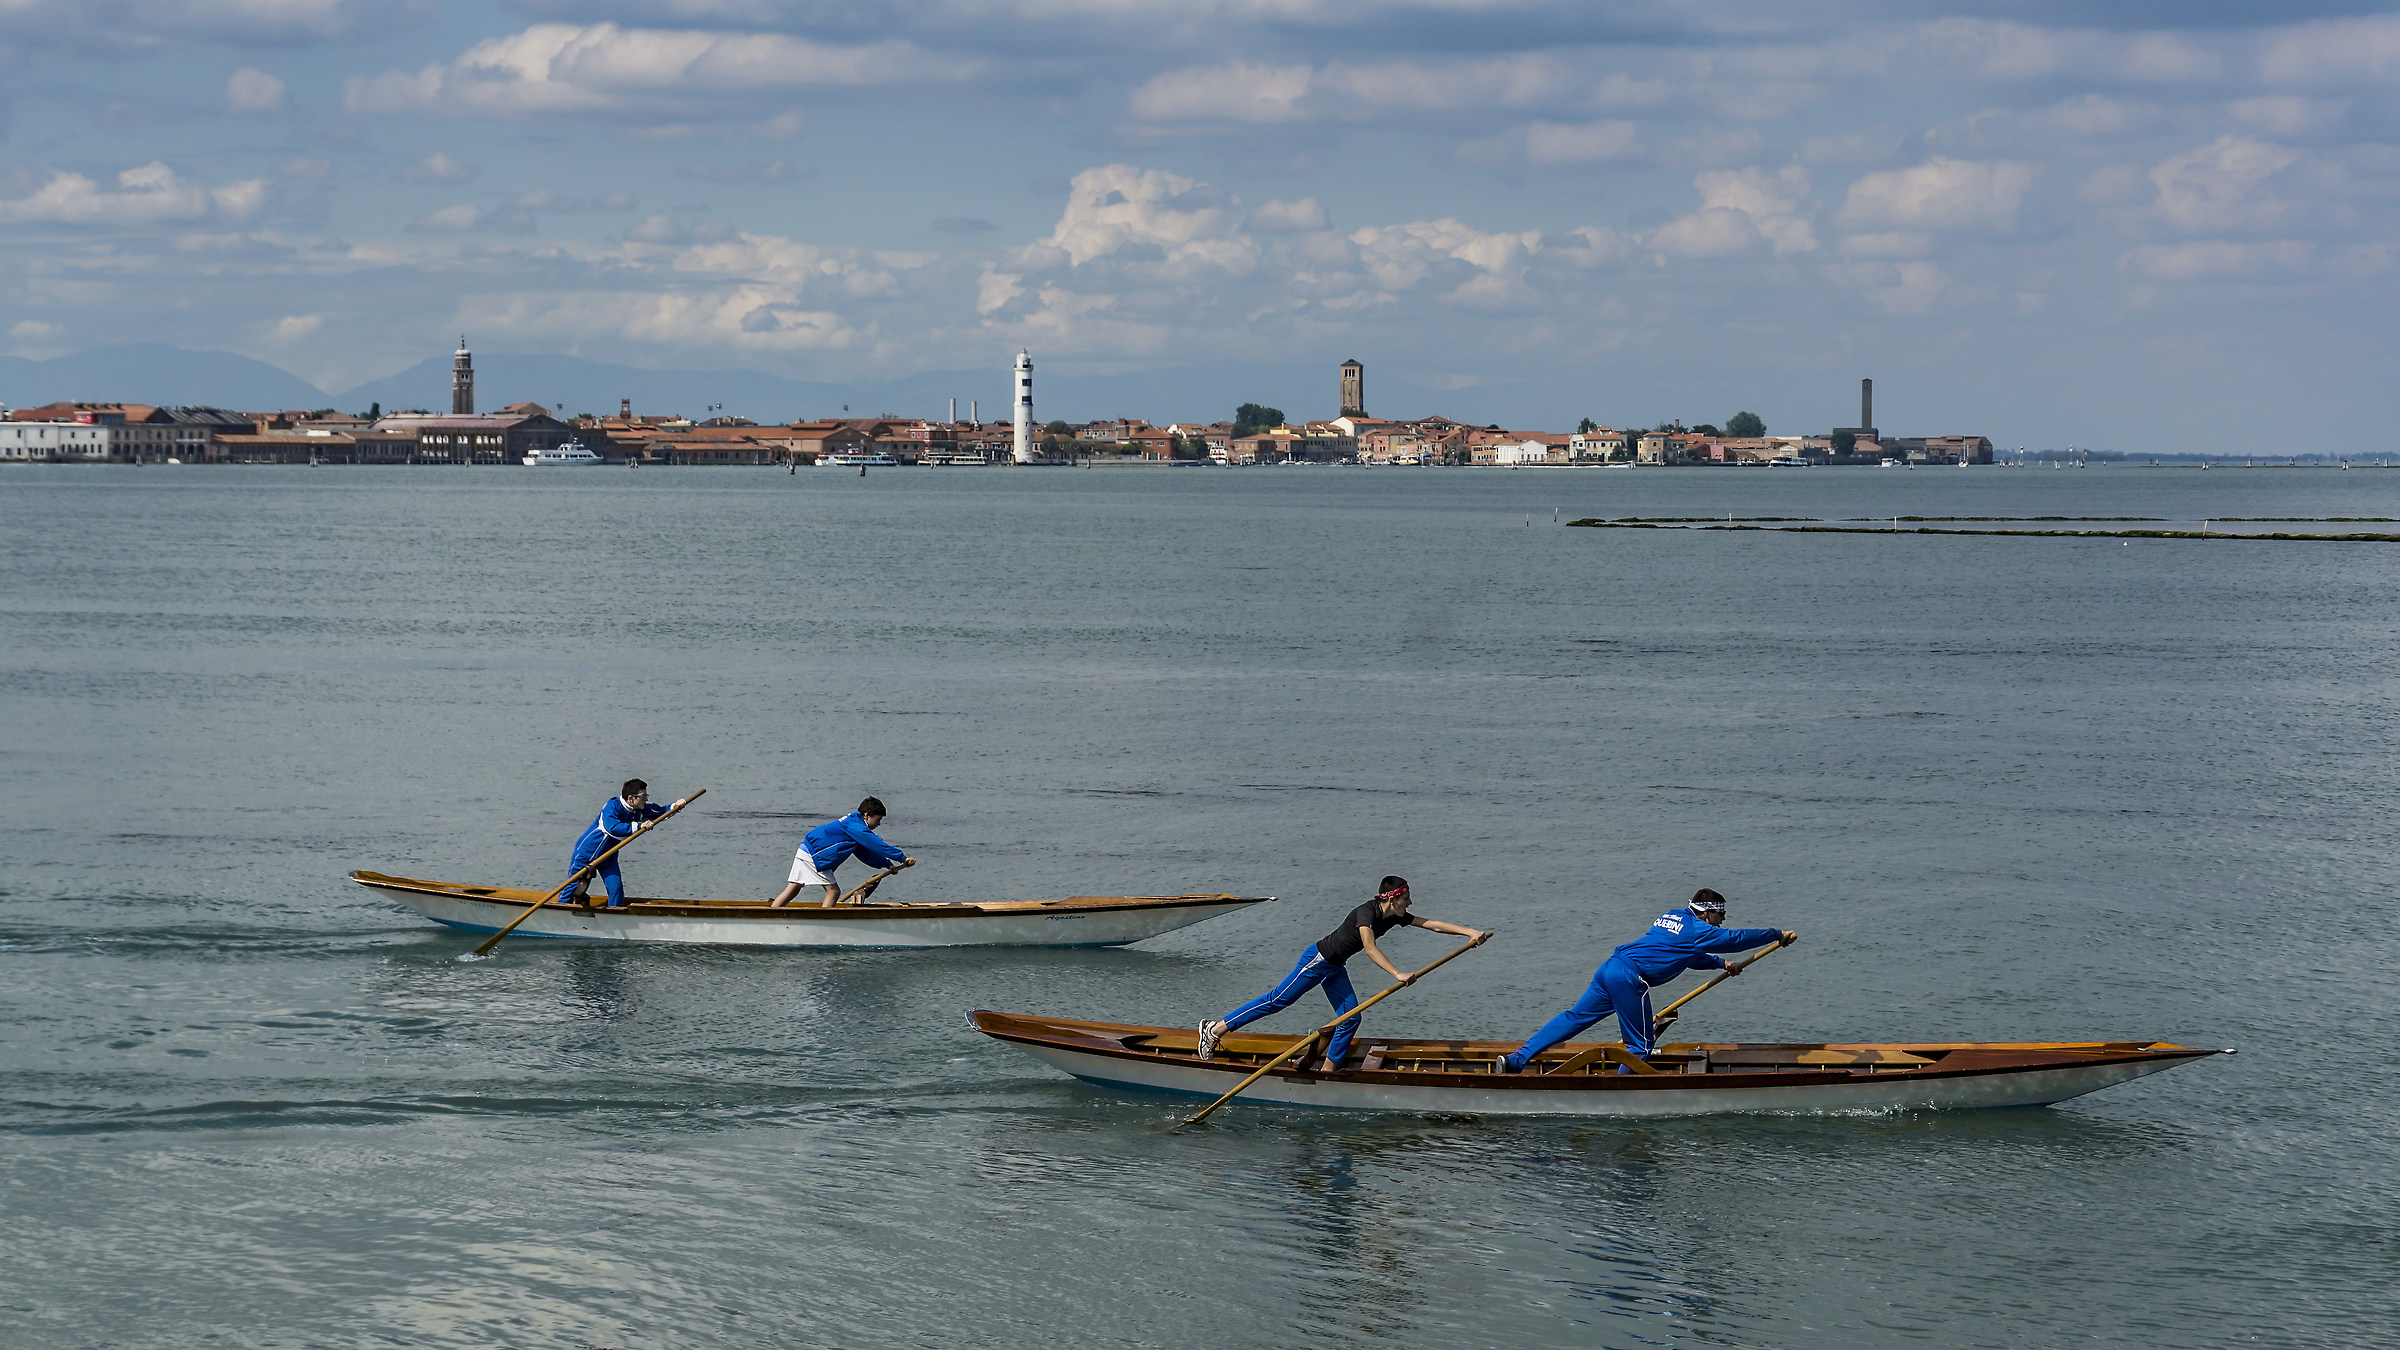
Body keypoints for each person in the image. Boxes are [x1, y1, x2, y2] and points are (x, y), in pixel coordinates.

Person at [1196, 876, 1490, 1068]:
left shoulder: (1394, 916)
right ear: (1391, 898)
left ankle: (1328, 1072)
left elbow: (1431, 924)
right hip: (1318, 960)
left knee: (1352, 1016)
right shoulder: (1366, 913)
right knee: (1278, 1001)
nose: (1410, 904)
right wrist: (1397, 973)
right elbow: (1369, 947)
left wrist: (1470, 932)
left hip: (1334, 967)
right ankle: (1215, 1029)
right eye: (1406, 899)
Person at [1497, 888, 1793, 1073]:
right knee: (1640, 1044)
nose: (1723, 921)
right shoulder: (1699, 930)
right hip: (1630, 979)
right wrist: (1775, 934)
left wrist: (1721, 964)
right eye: (1721, 915)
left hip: (1610, 968)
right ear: (1707, 913)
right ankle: (1619, 1092)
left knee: (1574, 1018)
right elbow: (1736, 939)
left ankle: (1516, 1060)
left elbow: (1687, 955)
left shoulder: (1674, 916)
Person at [770, 796, 912, 908]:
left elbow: (864, 852)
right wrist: (902, 858)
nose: (879, 824)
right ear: (867, 815)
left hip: (805, 851)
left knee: (794, 886)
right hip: (815, 856)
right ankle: (825, 923)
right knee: (833, 892)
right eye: (878, 819)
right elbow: (877, 844)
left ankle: (772, 913)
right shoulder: (856, 826)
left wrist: (887, 864)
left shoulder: (854, 823)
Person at [564, 779, 682, 909]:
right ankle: (560, 909)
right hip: (587, 853)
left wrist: (675, 806)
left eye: (646, 796)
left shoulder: (640, 808)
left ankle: (614, 918)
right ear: (631, 798)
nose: (646, 799)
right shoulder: (612, 806)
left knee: (616, 889)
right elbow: (612, 828)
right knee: (571, 886)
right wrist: (639, 825)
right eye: (643, 796)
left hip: (609, 856)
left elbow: (659, 811)